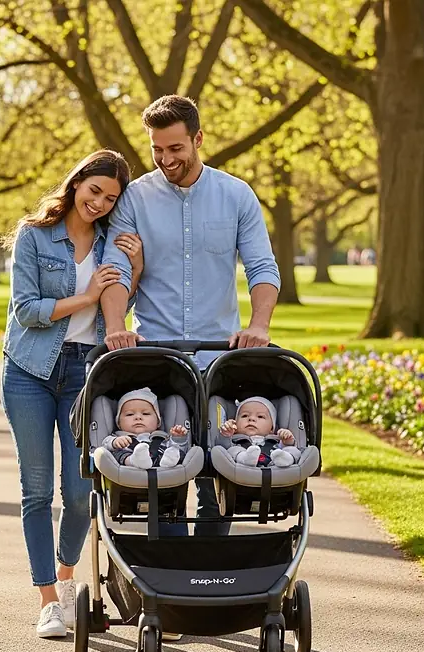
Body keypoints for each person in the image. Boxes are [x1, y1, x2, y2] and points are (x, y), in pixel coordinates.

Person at [100, 95, 280, 540]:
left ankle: (213, 571)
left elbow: (262, 266)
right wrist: (117, 326)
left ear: (198, 139)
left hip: (220, 359)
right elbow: (116, 269)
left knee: (214, 474)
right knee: (166, 467)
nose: (165, 159)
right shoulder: (135, 199)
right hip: (158, 358)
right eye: (157, 149)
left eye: (176, 148)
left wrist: (259, 325)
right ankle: (168, 567)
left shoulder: (236, 195)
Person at [1, 149, 143, 640]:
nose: (100, 202)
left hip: (85, 372)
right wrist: (84, 298)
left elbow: (121, 305)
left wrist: (137, 267)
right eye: (94, 191)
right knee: (37, 490)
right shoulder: (35, 235)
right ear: (77, 183)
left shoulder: (113, 244)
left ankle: (66, 581)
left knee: (82, 493)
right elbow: (25, 310)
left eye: (111, 197)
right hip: (29, 371)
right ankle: (46, 599)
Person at [102, 388, 188, 468]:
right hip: (128, 463)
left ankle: (169, 460)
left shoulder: (163, 438)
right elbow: (104, 444)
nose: (138, 417)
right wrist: (114, 442)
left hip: (161, 463)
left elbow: (180, 447)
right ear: (118, 423)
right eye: (130, 414)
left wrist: (178, 438)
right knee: (114, 454)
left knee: (176, 451)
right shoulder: (118, 437)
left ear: (158, 422)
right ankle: (134, 460)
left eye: (146, 414)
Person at [217, 397, 301, 468]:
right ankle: (246, 458)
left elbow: (287, 446)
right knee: (231, 451)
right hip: (241, 468)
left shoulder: (276, 440)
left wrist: (287, 441)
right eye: (245, 416)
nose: (251, 419)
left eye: (260, 416)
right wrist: (226, 434)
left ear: (272, 428)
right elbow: (223, 447)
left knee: (294, 450)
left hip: (275, 466)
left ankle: (285, 459)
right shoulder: (234, 439)